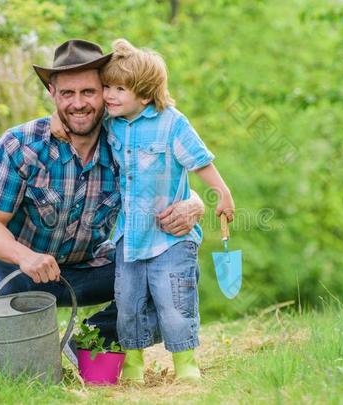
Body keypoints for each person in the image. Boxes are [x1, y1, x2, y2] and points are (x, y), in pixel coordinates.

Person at [0, 39, 205, 348]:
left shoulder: (125, 143)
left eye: (88, 92)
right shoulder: (20, 145)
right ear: (53, 93)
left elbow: (170, 180)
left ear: (106, 93)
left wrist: (194, 203)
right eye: (67, 93)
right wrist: (26, 257)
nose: (78, 103)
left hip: (91, 269)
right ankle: (26, 354)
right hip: (22, 269)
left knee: (176, 269)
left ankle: (86, 343)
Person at [51, 39, 235, 382]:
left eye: (119, 88)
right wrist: (55, 118)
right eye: (107, 86)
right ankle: (132, 364)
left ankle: (186, 363)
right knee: (129, 305)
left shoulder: (172, 124)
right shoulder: (112, 123)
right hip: (129, 236)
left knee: (175, 301)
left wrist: (220, 193)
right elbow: (77, 115)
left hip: (169, 237)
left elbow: (200, 161)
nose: (109, 95)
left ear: (146, 95)